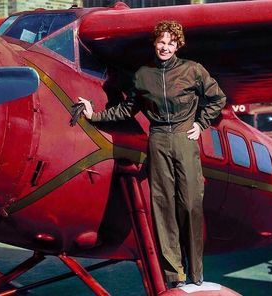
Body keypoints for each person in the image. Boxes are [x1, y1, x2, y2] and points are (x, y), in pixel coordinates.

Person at [78, 20, 226, 288]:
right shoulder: (143, 75)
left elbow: (218, 99)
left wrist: (200, 124)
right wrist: (94, 115)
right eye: (161, 42)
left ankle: (196, 274)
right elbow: (126, 109)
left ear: (177, 44)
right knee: (163, 206)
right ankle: (175, 275)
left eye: (171, 43)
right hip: (157, 140)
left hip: (184, 138)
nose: (165, 47)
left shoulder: (193, 70)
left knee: (190, 204)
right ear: (154, 43)